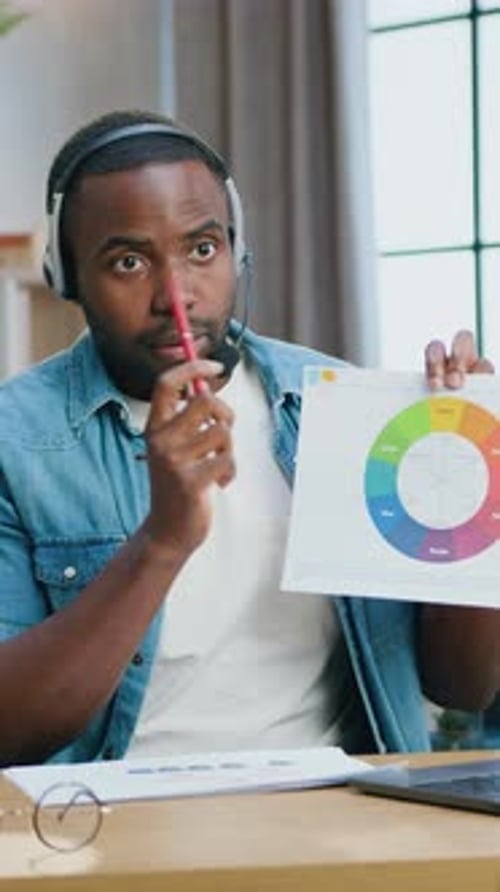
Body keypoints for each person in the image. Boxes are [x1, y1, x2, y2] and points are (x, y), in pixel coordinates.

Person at [0, 109, 498, 767]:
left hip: (340, 809)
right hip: (116, 816)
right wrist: (163, 540)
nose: (176, 295)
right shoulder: (15, 443)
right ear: (68, 278)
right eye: (128, 262)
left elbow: (462, 687)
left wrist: (474, 503)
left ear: (237, 252)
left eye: (202, 249)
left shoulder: (333, 407)